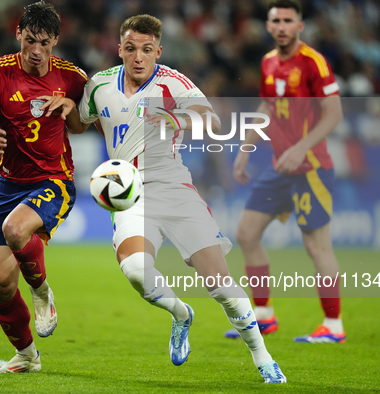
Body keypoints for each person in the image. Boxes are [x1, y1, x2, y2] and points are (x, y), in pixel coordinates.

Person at [75, 14, 286, 383]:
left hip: (174, 189)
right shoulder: (100, 85)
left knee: (220, 285)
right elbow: (81, 120)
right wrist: (65, 108)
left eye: (146, 50)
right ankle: (180, 314)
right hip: (128, 193)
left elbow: (213, 121)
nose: (138, 57)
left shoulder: (174, 83)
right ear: (119, 49)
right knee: (138, 272)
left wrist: (180, 120)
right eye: (130, 49)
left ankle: (263, 357)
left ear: (158, 50)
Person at [0, 1, 88, 373]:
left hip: (55, 180)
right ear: (18, 33)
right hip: (9, 184)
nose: (37, 51)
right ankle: (27, 356)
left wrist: (70, 103)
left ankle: (42, 293)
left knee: (15, 230)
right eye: (31, 40)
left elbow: (81, 126)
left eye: (45, 44)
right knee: (0, 285)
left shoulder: (71, 77)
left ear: (56, 41)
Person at [227, 0, 345, 343]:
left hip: (311, 167)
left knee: (316, 246)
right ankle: (264, 316)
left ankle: (333, 326)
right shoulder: (267, 62)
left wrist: (301, 147)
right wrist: (245, 149)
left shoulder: (313, 62)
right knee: (247, 234)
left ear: (300, 26)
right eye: (275, 20)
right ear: (267, 25)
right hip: (280, 166)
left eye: (287, 21)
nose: (281, 26)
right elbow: (265, 105)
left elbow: (334, 113)